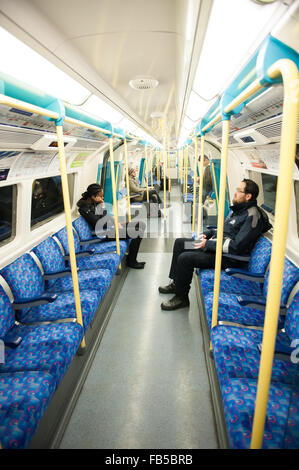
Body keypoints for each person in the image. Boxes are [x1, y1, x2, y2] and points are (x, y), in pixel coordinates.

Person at [158, 179, 271, 310]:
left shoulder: (252, 216)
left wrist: (208, 244)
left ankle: (181, 298)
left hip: (228, 258)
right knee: (180, 244)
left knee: (185, 259)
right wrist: (208, 234)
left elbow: (236, 247)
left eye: (238, 191)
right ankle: (176, 283)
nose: (234, 193)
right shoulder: (239, 210)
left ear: (248, 196)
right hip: (215, 248)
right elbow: (224, 230)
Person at [77, 183, 146, 269]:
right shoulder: (85, 209)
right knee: (137, 232)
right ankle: (131, 261)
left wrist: (116, 223)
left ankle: (130, 254)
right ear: (93, 196)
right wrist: (103, 207)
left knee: (140, 224)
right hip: (103, 233)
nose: (102, 198)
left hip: (108, 228)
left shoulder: (94, 204)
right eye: (101, 196)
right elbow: (99, 223)